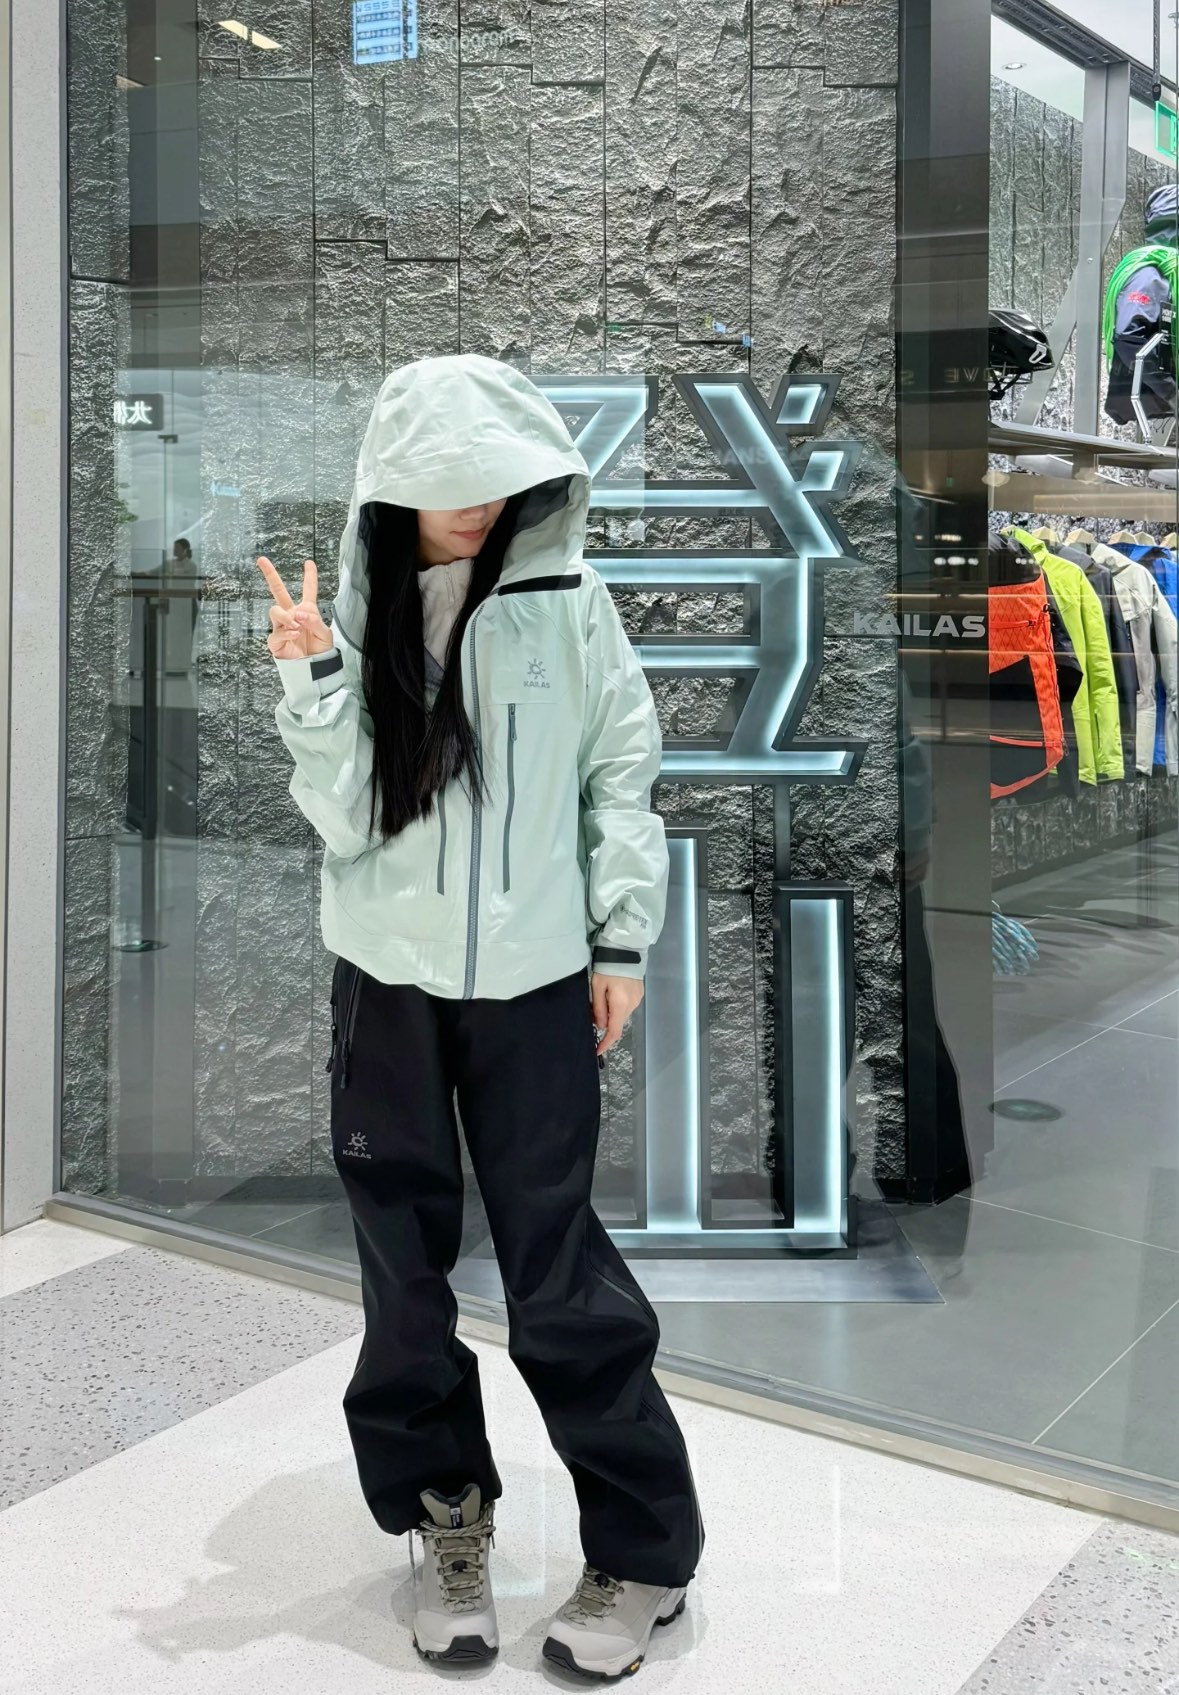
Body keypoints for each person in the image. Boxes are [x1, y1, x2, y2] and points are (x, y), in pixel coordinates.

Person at [256, 352, 705, 1677]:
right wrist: (314, 682)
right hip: (385, 983)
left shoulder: (571, 605)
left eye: (496, 483)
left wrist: (620, 939)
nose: (475, 507)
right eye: (448, 486)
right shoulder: (358, 618)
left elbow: (622, 774)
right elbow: (348, 820)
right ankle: (444, 1518)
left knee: (556, 1271)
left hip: (538, 981)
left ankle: (644, 1550)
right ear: (392, 491)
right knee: (403, 1275)